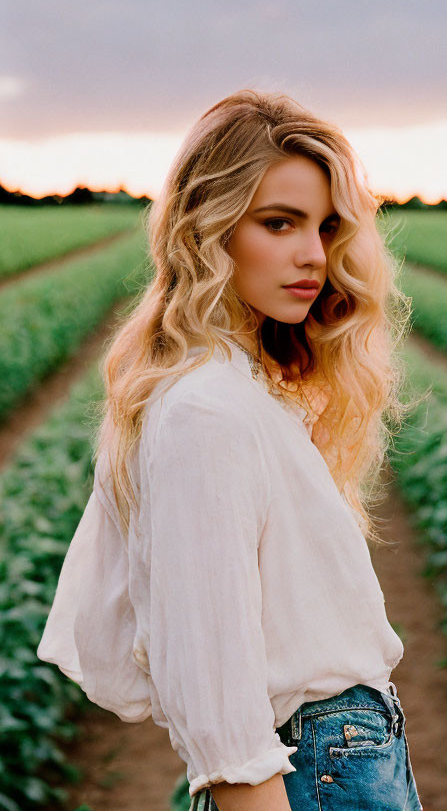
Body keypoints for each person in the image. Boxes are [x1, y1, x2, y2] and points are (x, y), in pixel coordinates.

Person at [37, 89, 424, 811]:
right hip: (316, 773)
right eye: (279, 223)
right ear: (208, 231)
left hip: (342, 767)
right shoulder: (206, 413)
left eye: (326, 226)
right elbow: (215, 690)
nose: (313, 254)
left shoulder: (245, 392)